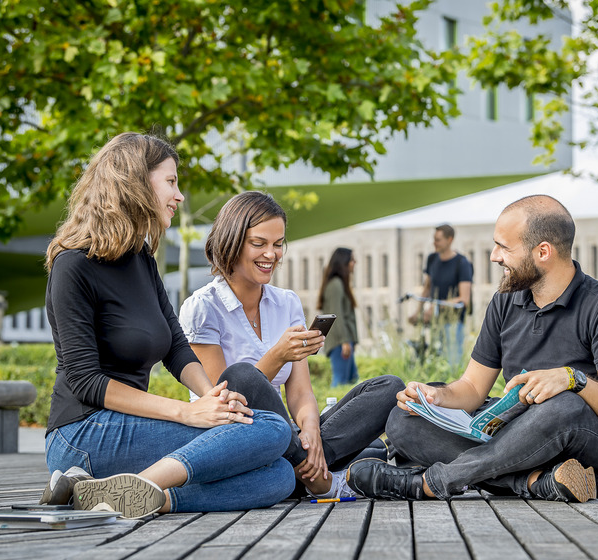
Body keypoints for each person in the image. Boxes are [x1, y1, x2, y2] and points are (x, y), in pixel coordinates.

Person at [42, 133, 295, 519]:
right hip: (82, 434)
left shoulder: (141, 257)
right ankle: (137, 483)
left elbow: (177, 347)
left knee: (279, 476)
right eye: (171, 182)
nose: (178, 196)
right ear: (136, 182)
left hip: (131, 427)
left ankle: (138, 495)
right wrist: (185, 412)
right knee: (272, 429)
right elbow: (85, 381)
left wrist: (212, 400)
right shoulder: (72, 265)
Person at [347, 195, 598, 503]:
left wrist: (572, 380)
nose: (493, 256)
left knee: (564, 406)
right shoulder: (506, 300)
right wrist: (434, 398)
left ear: (542, 252)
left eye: (504, 247)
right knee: (402, 419)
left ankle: (432, 483)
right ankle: (535, 483)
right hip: (517, 445)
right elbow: (473, 386)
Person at [179, 192, 403, 500]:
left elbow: (299, 392)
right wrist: (276, 356)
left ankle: (306, 465)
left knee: (389, 387)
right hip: (238, 439)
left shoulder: (286, 302)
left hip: (287, 438)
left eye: (278, 244)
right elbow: (224, 404)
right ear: (231, 241)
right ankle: (321, 481)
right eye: (259, 243)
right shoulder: (203, 307)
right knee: (242, 376)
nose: (271, 254)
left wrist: (310, 430)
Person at [409, 224, 473, 366]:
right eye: (434, 239)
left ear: (449, 239)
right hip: (434, 322)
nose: (434, 243)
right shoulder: (432, 259)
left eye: (438, 240)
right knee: (435, 361)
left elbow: (464, 299)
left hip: (453, 322)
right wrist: (418, 312)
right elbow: (427, 288)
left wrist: (437, 307)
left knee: (452, 363)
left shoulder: (462, 263)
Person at [317, 248, 359, 387]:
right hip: (339, 342)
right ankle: (333, 409)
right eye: (352, 260)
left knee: (352, 380)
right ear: (344, 262)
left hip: (344, 341)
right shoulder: (336, 285)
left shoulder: (340, 284)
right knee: (340, 382)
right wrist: (345, 341)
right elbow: (337, 315)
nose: (355, 263)